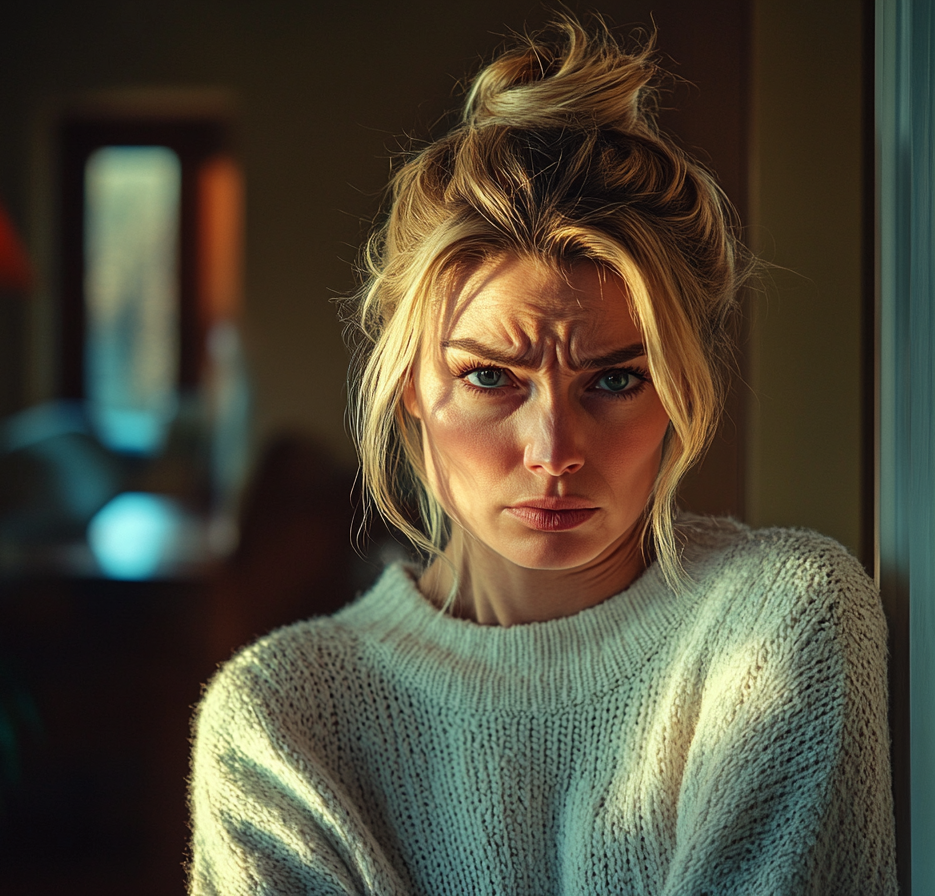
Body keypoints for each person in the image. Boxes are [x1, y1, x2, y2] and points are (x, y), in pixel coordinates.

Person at [189, 16, 896, 895]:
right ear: (409, 381)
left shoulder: (781, 624)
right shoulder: (281, 719)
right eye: (491, 377)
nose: (554, 450)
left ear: (681, 388)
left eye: (615, 380)